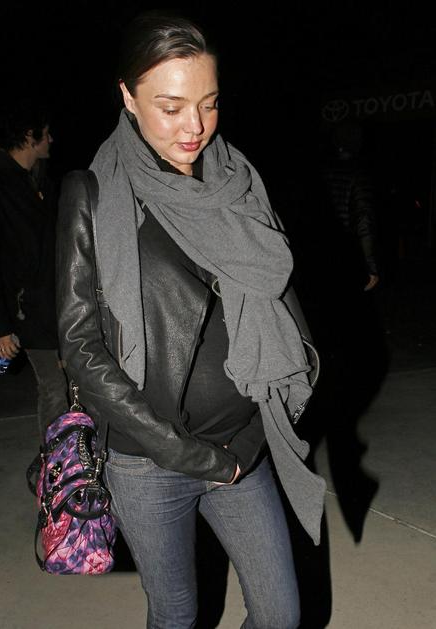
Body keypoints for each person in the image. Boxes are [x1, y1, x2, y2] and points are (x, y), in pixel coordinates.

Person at [56, 11, 325, 629]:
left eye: (209, 103)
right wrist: (184, 453)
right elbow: (80, 346)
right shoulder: (91, 193)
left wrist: (256, 433)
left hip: (242, 442)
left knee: (280, 614)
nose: (195, 126)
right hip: (148, 460)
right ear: (128, 97)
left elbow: (281, 300)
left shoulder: (239, 184)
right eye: (171, 106)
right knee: (176, 616)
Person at [0, 98, 69, 441]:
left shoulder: (42, 183)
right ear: (30, 135)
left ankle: (72, 454)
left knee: (72, 383)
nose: (51, 139)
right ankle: (55, 464)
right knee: (53, 387)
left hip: (58, 307)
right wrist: (1, 328)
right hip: (26, 312)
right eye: (46, 133)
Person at [322, 121, 380, 292]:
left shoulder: (322, 170)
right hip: (346, 253)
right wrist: (370, 265)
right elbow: (364, 219)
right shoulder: (358, 174)